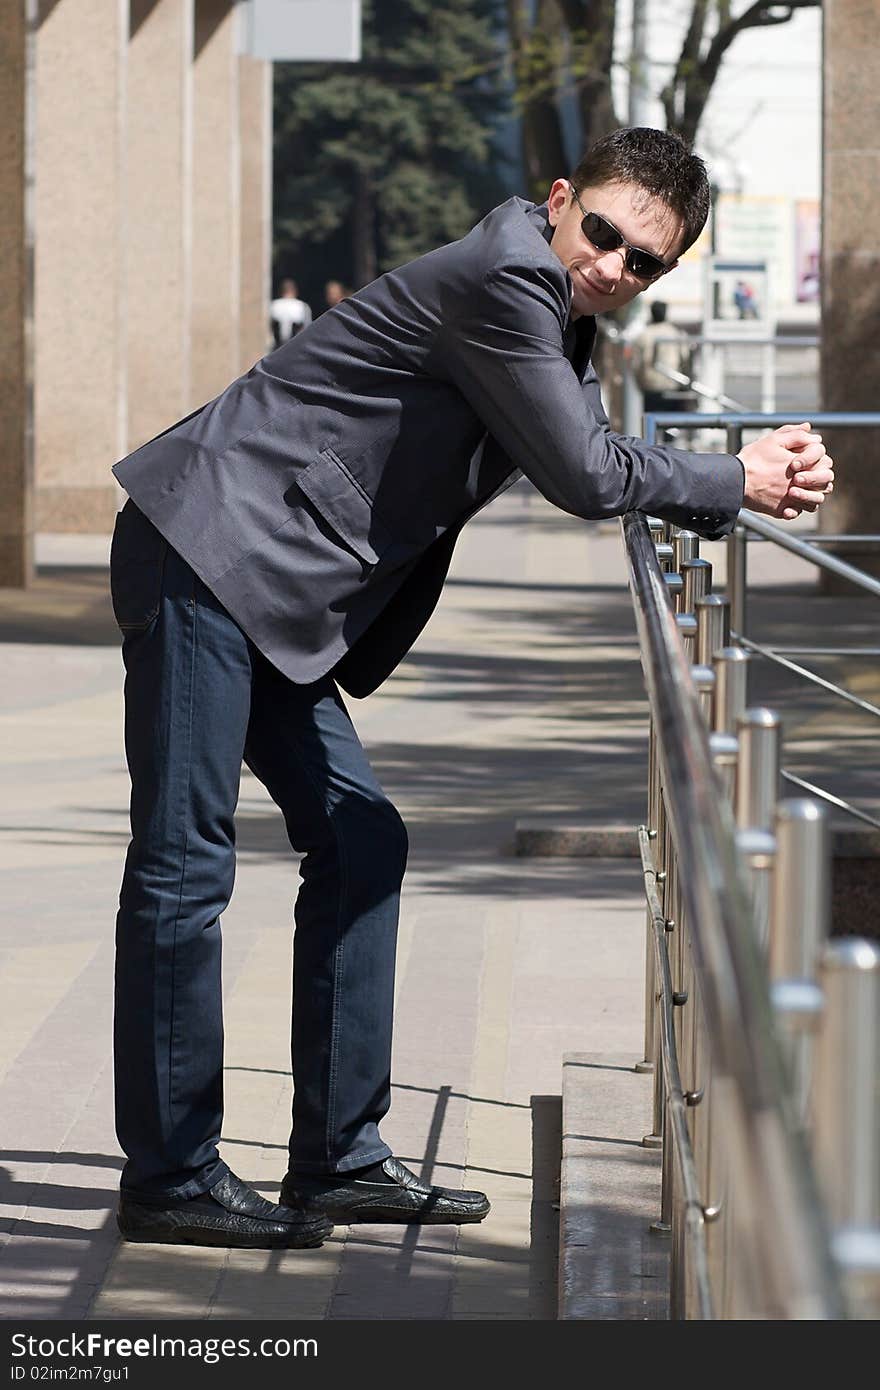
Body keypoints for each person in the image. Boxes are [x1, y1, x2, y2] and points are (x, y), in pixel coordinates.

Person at [109, 127, 833, 1250]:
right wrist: (735, 479)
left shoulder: (551, 304)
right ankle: (168, 1175)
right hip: (203, 547)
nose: (613, 267)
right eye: (603, 234)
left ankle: (339, 1158)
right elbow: (585, 473)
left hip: (263, 583)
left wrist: (728, 475)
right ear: (560, 202)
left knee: (364, 842)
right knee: (183, 859)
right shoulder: (507, 279)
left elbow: (586, 443)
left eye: (645, 263)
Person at [629, 300, 695, 415]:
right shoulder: (675, 333)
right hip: (672, 385)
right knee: (670, 426)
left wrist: (639, 384)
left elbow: (636, 364)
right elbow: (685, 360)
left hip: (650, 387)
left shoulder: (644, 335)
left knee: (650, 426)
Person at [269, 277, 312, 346]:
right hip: (295, 346)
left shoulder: (272, 306)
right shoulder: (303, 306)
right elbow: (307, 329)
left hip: (276, 347)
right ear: (295, 291)